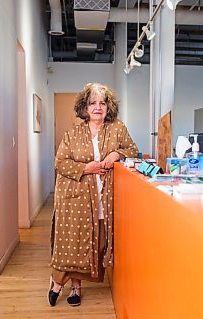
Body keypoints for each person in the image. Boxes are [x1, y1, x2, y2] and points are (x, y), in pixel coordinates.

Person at [48, 83, 138, 307]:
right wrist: (86, 168)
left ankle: (73, 284)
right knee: (73, 241)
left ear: (109, 107)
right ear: (85, 108)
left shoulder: (117, 128)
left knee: (94, 241)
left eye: (102, 103)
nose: (98, 107)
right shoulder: (73, 133)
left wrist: (117, 153)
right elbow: (60, 163)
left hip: (104, 197)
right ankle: (66, 284)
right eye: (93, 103)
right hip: (76, 197)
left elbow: (133, 150)